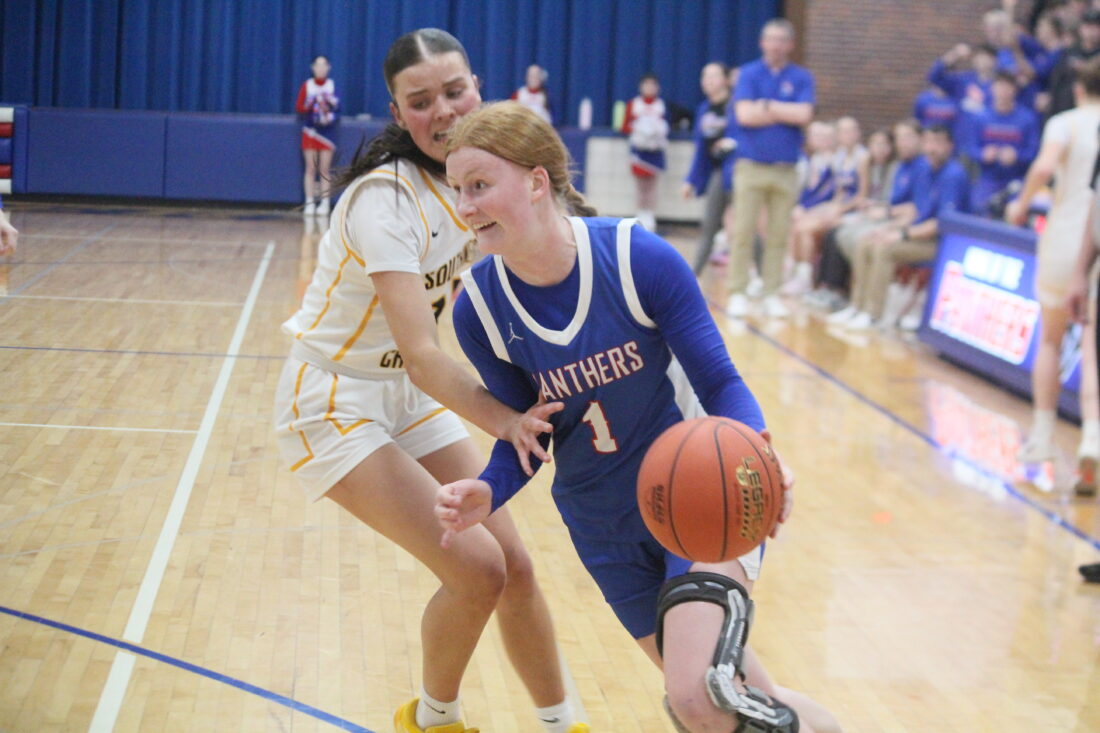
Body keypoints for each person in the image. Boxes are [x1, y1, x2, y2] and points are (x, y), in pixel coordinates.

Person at [437, 101, 844, 733]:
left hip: (702, 496)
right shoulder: (480, 311)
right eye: (457, 189)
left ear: (537, 182)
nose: (464, 206)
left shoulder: (636, 259)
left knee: (697, 696)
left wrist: (759, 452)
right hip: (604, 528)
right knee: (738, 695)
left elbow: (721, 383)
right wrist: (489, 489)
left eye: (480, 185)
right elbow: (527, 433)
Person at [273, 30, 586, 733]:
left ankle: (564, 723)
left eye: (454, 91)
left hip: (406, 397)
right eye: (421, 102)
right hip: (334, 397)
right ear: (397, 112)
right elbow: (421, 352)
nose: (442, 111)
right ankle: (432, 720)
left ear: (477, 89)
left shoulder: (482, 177)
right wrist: (507, 420)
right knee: (477, 569)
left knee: (515, 564)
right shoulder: (384, 201)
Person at [1007, 57, 1100, 475]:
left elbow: (1045, 167)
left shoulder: (1066, 123)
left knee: (1051, 339)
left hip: (1066, 238)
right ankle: (1092, 438)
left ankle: (1042, 435)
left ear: (1079, 89)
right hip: (1096, 238)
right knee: (1093, 345)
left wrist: (1021, 203)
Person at [725, 18, 815, 320]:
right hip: (751, 165)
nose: (775, 45)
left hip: (786, 168)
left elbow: (804, 114)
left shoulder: (801, 77)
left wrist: (766, 106)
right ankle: (738, 291)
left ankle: (771, 293)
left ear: (790, 44)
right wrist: (783, 110)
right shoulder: (749, 73)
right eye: (771, 39)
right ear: (762, 43)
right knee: (743, 231)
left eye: (781, 40)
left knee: (779, 235)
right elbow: (744, 116)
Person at [837, 125, 969, 331]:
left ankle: (873, 315)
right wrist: (889, 229)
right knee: (867, 240)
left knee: (883, 248)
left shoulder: (953, 175)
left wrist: (902, 235)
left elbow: (940, 224)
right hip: (919, 235)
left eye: (938, 143)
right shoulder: (926, 170)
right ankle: (857, 306)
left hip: (944, 244)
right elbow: (915, 211)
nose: (932, 148)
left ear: (949, 147)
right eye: (928, 142)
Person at [784, 117, 868, 297]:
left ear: (858, 133)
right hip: (839, 207)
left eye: (851, 130)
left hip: (855, 211)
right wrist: (831, 207)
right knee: (798, 224)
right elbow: (838, 191)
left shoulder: (862, 157)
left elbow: (862, 195)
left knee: (806, 229)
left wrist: (839, 210)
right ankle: (796, 272)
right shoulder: (839, 158)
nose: (848, 135)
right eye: (844, 131)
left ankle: (805, 278)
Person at [681, 62, 737, 276]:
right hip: (718, 174)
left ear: (725, 79)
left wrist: (731, 145)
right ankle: (693, 274)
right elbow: (700, 151)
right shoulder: (704, 110)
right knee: (709, 225)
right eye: (705, 76)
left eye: (714, 76)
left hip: (739, 172)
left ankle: (758, 274)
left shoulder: (736, 106)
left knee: (745, 227)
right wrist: (691, 180)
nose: (708, 81)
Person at [965, 71, 1040, 215]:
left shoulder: (1027, 118)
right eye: (999, 86)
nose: (1003, 91)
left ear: (1014, 89)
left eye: (1007, 86)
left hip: (1018, 179)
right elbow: (971, 148)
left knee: (1019, 212)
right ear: (992, 88)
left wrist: (1017, 156)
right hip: (988, 179)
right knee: (978, 208)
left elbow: (1034, 152)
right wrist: (983, 154)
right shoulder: (980, 117)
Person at [621, 73, 669, 232]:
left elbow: (668, 126)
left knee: (652, 185)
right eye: (646, 84)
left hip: (655, 150)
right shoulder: (634, 104)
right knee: (641, 185)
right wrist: (640, 129)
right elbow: (624, 127)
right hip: (639, 151)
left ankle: (650, 215)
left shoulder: (661, 105)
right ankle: (641, 214)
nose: (649, 88)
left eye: (652, 85)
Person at [296, 55, 340, 217]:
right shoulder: (307, 85)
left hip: (327, 133)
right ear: (313, 67)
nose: (320, 68)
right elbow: (299, 107)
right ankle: (309, 202)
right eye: (317, 65)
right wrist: (312, 103)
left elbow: (338, 108)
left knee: (324, 169)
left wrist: (327, 113)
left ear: (328, 68)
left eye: (323, 65)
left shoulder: (332, 85)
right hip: (311, 132)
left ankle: (325, 202)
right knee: (310, 168)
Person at [1048, 9, 1100, 116]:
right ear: (1081, 28)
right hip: (1067, 108)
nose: (1091, 31)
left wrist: (1087, 68)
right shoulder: (1069, 53)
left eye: (1096, 27)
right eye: (1088, 26)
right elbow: (1056, 83)